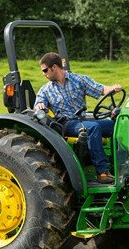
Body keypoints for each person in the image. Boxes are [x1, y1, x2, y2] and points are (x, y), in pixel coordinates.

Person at [34, 52, 122, 184]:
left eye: (45, 70)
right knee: (93, 128)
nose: (43, 73)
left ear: (54, 67)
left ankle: (123, 166)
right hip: (67, 124)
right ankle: (102, 172)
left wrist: (114, 88)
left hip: (84, 119)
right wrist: (39, 106)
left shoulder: (79, 80)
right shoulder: (45, 90)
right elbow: (38, 105)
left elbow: (101, 89)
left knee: (118, 125)